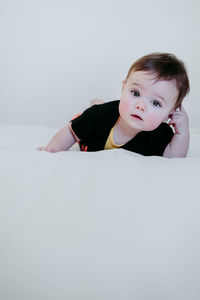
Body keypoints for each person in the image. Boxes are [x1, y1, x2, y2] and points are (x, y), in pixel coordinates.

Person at [37, 52, 190, 157]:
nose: (140, 106)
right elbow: (71, 132)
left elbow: (173, 157)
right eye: (135, 93)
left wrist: (182, 134)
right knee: (91, 113)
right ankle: (96, 104)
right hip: (95, 128)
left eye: (156, 103)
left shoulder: (160, 135)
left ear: (169, 113)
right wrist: (51, 150)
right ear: (124, 88)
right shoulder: (98, 116)